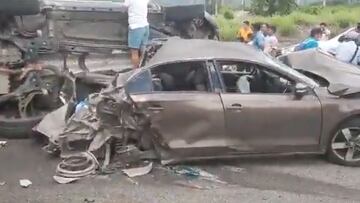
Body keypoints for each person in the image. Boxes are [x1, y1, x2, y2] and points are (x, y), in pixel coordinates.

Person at [124, 0, 150, 68]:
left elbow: (124, 7)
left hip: (136, 27)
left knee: (134, 52)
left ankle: (135, 73)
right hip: (145, 26)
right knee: (143, 52)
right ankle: (143, 69)